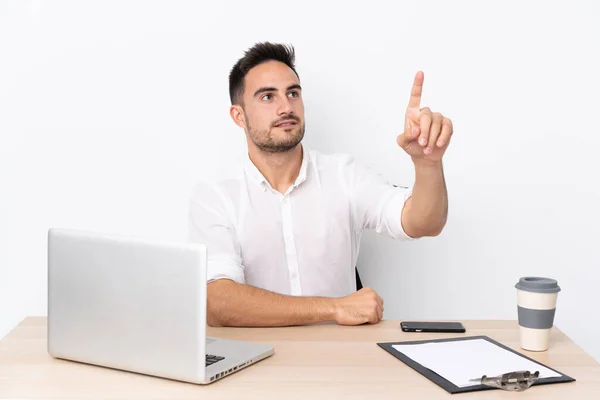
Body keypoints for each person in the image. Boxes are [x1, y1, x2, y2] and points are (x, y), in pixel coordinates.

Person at [189, 42, 453, 327]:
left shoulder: (343, 174)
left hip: (339, 361)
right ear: (238, 116)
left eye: (293, 93)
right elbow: (217, 303)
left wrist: (427, 164)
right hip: (256, 363)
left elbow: (423, 223)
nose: (286, 107)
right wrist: (332, 308)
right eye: (268, 97)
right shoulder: (216, 197)